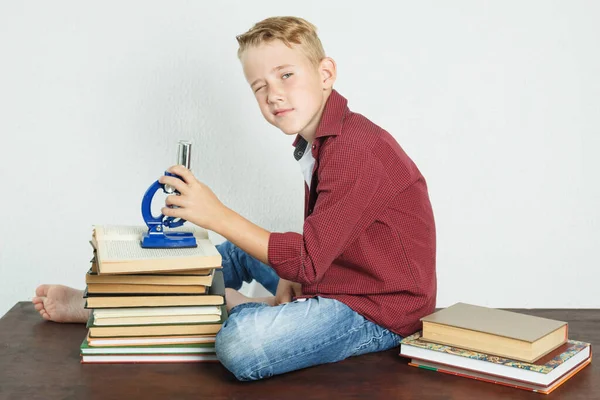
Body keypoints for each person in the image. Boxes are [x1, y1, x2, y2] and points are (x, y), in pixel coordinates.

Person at [32, 16, 437, 381]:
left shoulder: (355, 149)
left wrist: (217, 214)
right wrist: (295, 275)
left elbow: (309, 259)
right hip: (335, 277)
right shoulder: (319, 144)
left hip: (377, 309)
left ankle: (221, 305)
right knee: (238, 256)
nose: (273, 94)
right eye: (259, 86)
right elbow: (317, 255)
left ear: (325, 73)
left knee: (242, 345)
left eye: (286, 75)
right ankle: (115, 301)